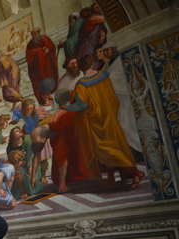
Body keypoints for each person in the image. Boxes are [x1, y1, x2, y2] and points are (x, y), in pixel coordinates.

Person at [59, 54, 144, 190]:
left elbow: (81, 105)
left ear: (81, 68)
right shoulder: (104, 75)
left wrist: (67, 107)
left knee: (105, 150)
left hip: (96, 122)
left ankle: (136, 172)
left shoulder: (82, 84)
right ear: (92, 63)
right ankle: (111, 179)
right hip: (109, 116)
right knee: (113, 147)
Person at [102, 41, 142, 155]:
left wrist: (105, 80)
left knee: (127, 124)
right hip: (115, 98)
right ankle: (132, 152)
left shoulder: (121, 60)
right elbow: (103, 75)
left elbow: (116, 77)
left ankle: (140, 148)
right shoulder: (109, 62)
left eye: (107, 50)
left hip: (124, 97)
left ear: (114, 49)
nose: (105, 53)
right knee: (120, 126)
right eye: (104, 51)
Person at [26, 27, 58, 106]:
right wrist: (40, 51)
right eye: (33, 34)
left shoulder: (45, 39)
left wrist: (48, 49)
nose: (34, 35)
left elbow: (52, 46)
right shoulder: (30, 44)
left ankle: (49, 95)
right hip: (38, 69)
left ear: (38, 33)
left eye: (35, 33)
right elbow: (29, 55)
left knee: (48, 81)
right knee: (41, 83)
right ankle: (45, 100)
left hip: (47, 65)